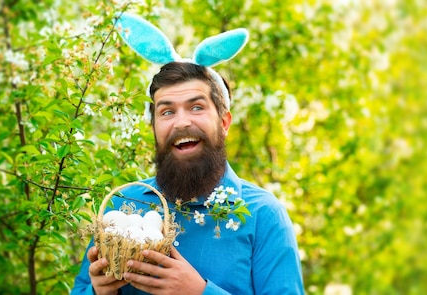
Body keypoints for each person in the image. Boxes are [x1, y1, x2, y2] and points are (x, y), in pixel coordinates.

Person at [70, 61, 305, 294]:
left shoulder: (263, 215)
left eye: (196, 107)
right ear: (154, 129)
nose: (182, 122)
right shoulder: (123, 205)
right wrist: (98, 291)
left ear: (224, 123)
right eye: (167, 112)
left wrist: (199, 292)